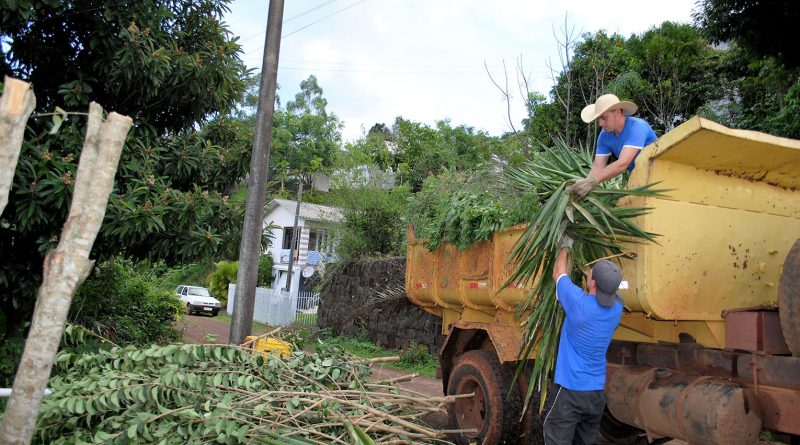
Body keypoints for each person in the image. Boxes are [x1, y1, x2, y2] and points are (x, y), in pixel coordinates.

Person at [542, 236, 624, 445]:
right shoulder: (617, 310)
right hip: (595, 395)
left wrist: (565, 246)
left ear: (593, 282)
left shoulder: (579, 306)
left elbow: (558, 273)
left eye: (590, 274)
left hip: (570, 392)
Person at [569, 93, 657, 200]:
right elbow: (598, 167)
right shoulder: (604, 136)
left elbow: (623, 164)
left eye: (604, 118)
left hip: (658, 175)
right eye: (599, 119)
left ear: (618, 111)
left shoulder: (637, 127)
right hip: (637, 178)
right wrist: (584, 184)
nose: (600, 123)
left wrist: (593, 182)